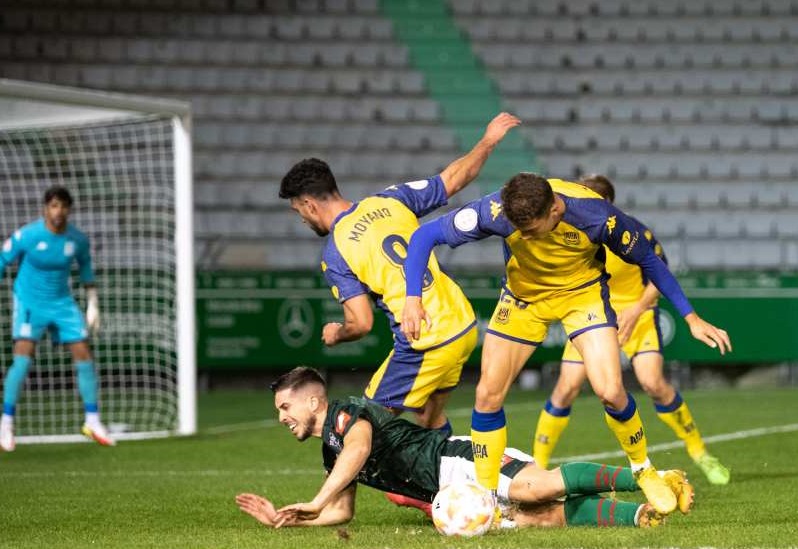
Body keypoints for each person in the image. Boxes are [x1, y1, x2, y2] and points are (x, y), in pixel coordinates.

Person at [400, 173, 731, 514]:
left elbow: (650, 261)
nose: (523, 236)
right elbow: (426, 235)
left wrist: (690, 317)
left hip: (582, 297)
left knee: (611, 391)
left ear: (555, 210)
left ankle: (642, 468)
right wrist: (413, 298)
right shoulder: (496, 210)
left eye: (530, 230)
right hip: (523, 299)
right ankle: (488, 499)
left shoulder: (599, 217)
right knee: (487, 395)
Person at [277, 112, 520, 435]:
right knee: (429, 419)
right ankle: (453, 482)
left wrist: (338, 333)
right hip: (462, 324)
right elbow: (453, 179)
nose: (304, 221)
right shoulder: (391, 200)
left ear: (309, 204)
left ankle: (334, 488)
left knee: (359, 429)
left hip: (426, 338)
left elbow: (361, 323)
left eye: (299, 212)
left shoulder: (336, 252)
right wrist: (488, 141)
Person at [235, 367, 693, 530]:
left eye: (285, 406)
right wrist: (293, 518)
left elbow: (359, 449)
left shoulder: (345, 413)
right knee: (540, 518)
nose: (282, 417)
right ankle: (638, 515)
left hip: (456, 461)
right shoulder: (330, 451)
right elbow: (342, 512)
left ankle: (644, 478)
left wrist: (318, 498)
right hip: (447, 498)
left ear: (312, 400)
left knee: (536, 489)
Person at [533, 175, 730, 485]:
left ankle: (699, 451)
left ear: (607, 204)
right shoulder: (565, 231)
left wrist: (637, 309)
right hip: (591, 315)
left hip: (637, 316)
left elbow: (659, 274)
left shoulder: (629, 230)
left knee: (652, 382)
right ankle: (538, 467)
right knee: (566, 388)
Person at [0, 186, 113, 451]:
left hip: (62, 302)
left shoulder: (77, 240)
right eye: (54, 205)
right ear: (45, 208)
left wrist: (93, 303)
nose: (58, 211)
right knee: (23, 359)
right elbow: (1, 260)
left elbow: (86, 267)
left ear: (69, 209)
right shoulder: (28, 235)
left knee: (83, 353)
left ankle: (92, 421)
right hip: (29, 302)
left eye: (63, 206)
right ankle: (6, 424)